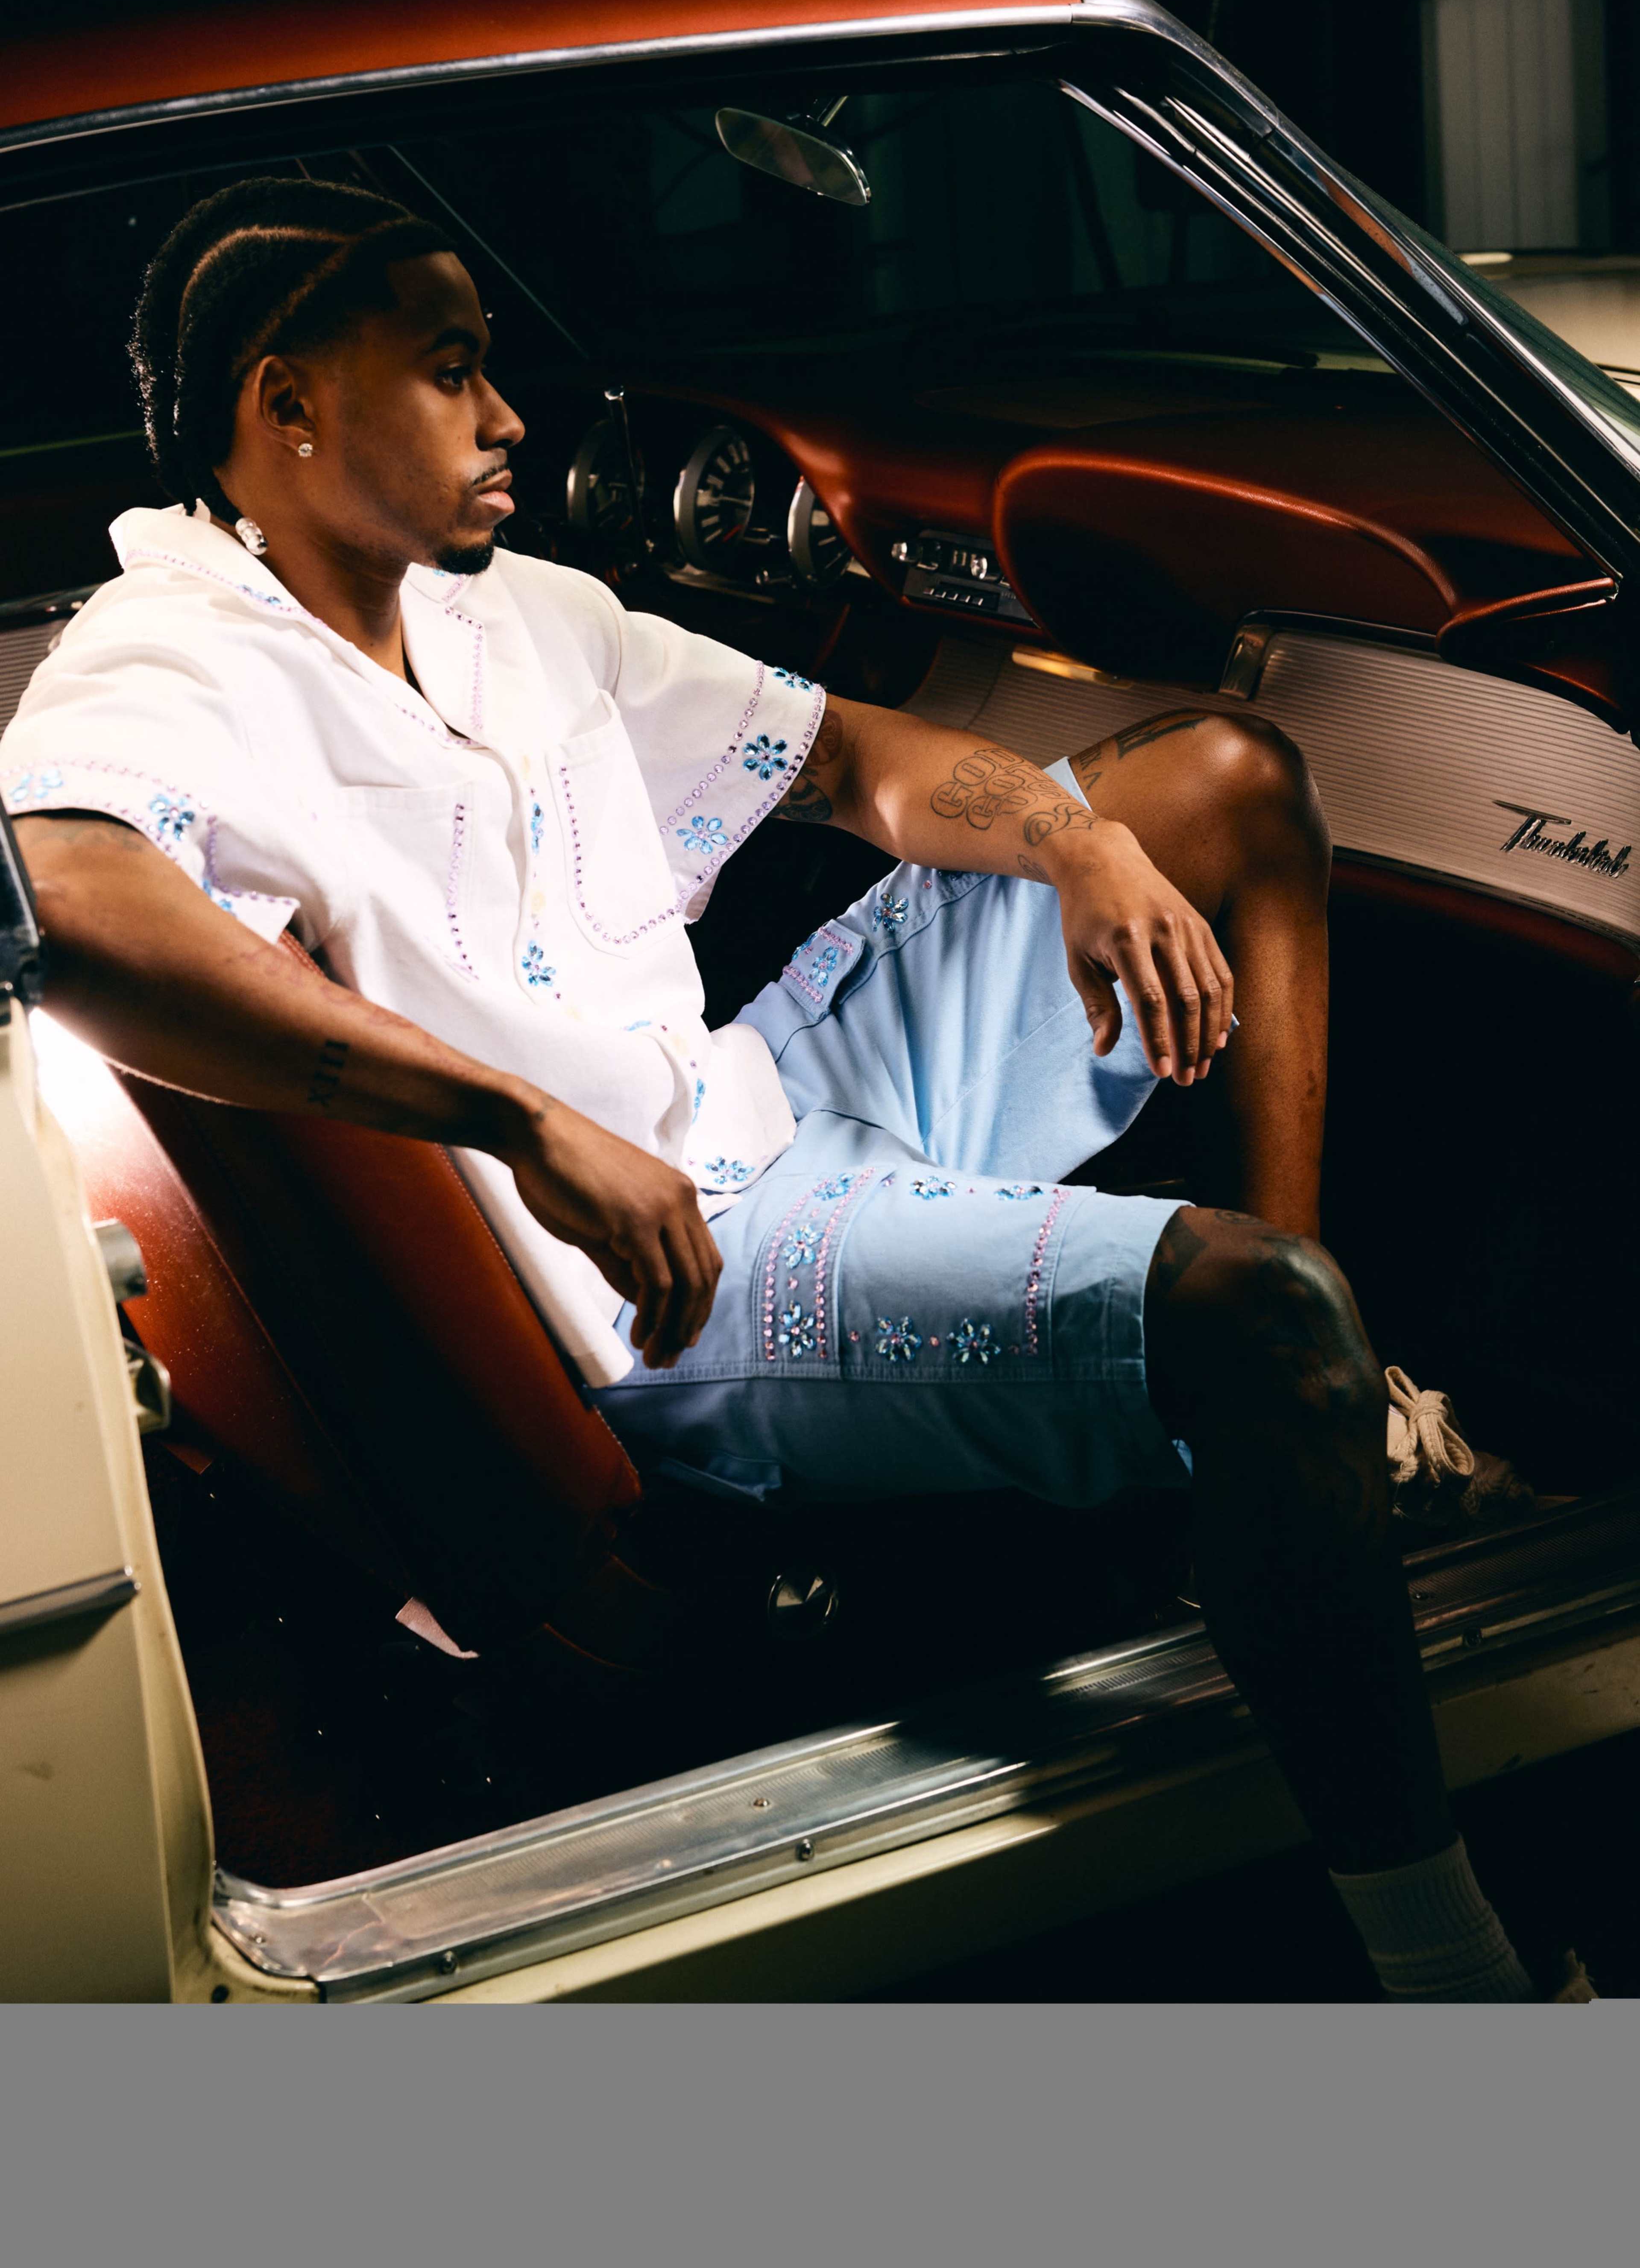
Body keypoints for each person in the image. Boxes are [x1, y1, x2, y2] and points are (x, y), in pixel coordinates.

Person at [0, 177, 1578, 2001]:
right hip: (686, 1290)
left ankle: (1311, 1456)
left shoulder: (520, 613)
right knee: (1259, 1307)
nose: (511, 418)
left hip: (778, 1093)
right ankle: (1450, 1978)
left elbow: (849, 757)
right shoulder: (170, 662)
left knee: (1227, 783)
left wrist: (1072, 841)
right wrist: (520, 1119)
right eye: (451, 373)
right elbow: (75, 901)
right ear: (288, 407)